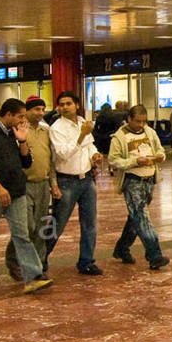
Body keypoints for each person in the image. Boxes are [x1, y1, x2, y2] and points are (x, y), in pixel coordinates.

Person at [0, 98, 50, 294]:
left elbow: (27, 162)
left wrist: (22, 140)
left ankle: (33, 276)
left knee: (23, 235)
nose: (23, 120)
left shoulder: (14, 132)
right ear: (8, 115)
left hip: (16, 192)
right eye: (20, 116)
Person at [46, 91, 104, 276]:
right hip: (66, 181)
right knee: (57, 223)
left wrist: (94, 155)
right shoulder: (56, 128)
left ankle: (86, 261)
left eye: (68, 103)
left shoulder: (82, 122)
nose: (64, 107)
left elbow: (89, 145)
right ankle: (40, 258)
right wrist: (81, 135)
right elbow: (63, 154)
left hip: (86, 179)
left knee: (90, 224)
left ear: (77, 105)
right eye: (61, 104)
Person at [108, 105, 169, 271]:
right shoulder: (119, 137)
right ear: (129, 119)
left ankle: (122, 248)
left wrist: (160, 156)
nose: (141, 125)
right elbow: (113, 160)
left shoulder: (150, 132)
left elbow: (159, 148)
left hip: (149, 179)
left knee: (135, 218)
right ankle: (154, 255)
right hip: (132, 180)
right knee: (142, 218)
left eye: (144, 121)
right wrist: (134, 162)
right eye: (137, 121)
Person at [4, 97, 57, 281]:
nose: (40, 113)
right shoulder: (16, 130)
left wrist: (53, 183)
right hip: (23, 185)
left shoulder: (46, 130)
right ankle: (13, 260)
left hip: (43, 184)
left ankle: (38, 266)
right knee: (26, 227)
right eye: (36, 109)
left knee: (41, 227)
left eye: (43, 109)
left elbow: (50, 160)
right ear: (26, 111)